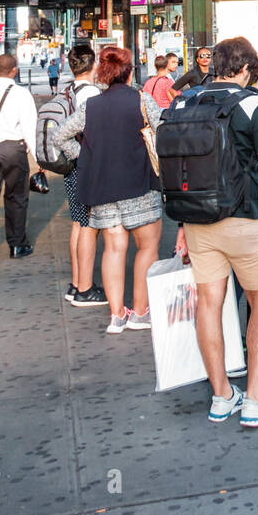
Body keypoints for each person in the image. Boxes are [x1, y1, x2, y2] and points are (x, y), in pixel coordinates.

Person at [173, 37, 258, 430]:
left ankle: (222, 396)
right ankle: (255, 399)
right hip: (245, 219)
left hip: (197, 220)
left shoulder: (186, 102)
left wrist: (182, 225)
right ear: (245, 70)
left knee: (209, 303)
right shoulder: (254, 105)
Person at [53, 46, 162, 334]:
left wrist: (84, 157)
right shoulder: (143, 100)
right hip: (141, 185)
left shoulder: (91, 106)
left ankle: (117, 316)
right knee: (147, 248)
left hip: (103, 188)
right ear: (129, 73)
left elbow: (59, 135)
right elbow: (163, 131)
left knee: (113, 249)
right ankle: (140, 312)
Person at [63, 45, 106, 308]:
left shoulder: (69, 90)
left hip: (73, 167)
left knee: (78, 224)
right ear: (93, 65)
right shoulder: (91, 94)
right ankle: (84, 289)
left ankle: (77, 283)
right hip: (86, 166)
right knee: (89, 226)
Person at [0, 52, 38, 257]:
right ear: (14, 70)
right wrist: (38, 159)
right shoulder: (22, 94)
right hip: (14, 149)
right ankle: (17, 245)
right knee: (16, 197)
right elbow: (30, 128)